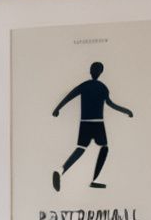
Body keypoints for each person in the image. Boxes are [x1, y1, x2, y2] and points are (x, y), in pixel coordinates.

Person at [51, 61, 134, 191]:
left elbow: (69, 96)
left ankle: (60, 171)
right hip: (98, 123)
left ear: (90, 71)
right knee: (104, 147)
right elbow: (110, 104)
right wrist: (126, 111)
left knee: (80, 148)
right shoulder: (102, 87)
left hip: (84, 123)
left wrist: (57, 109)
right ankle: (95, 180)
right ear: (100, 73)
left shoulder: (85, 85)